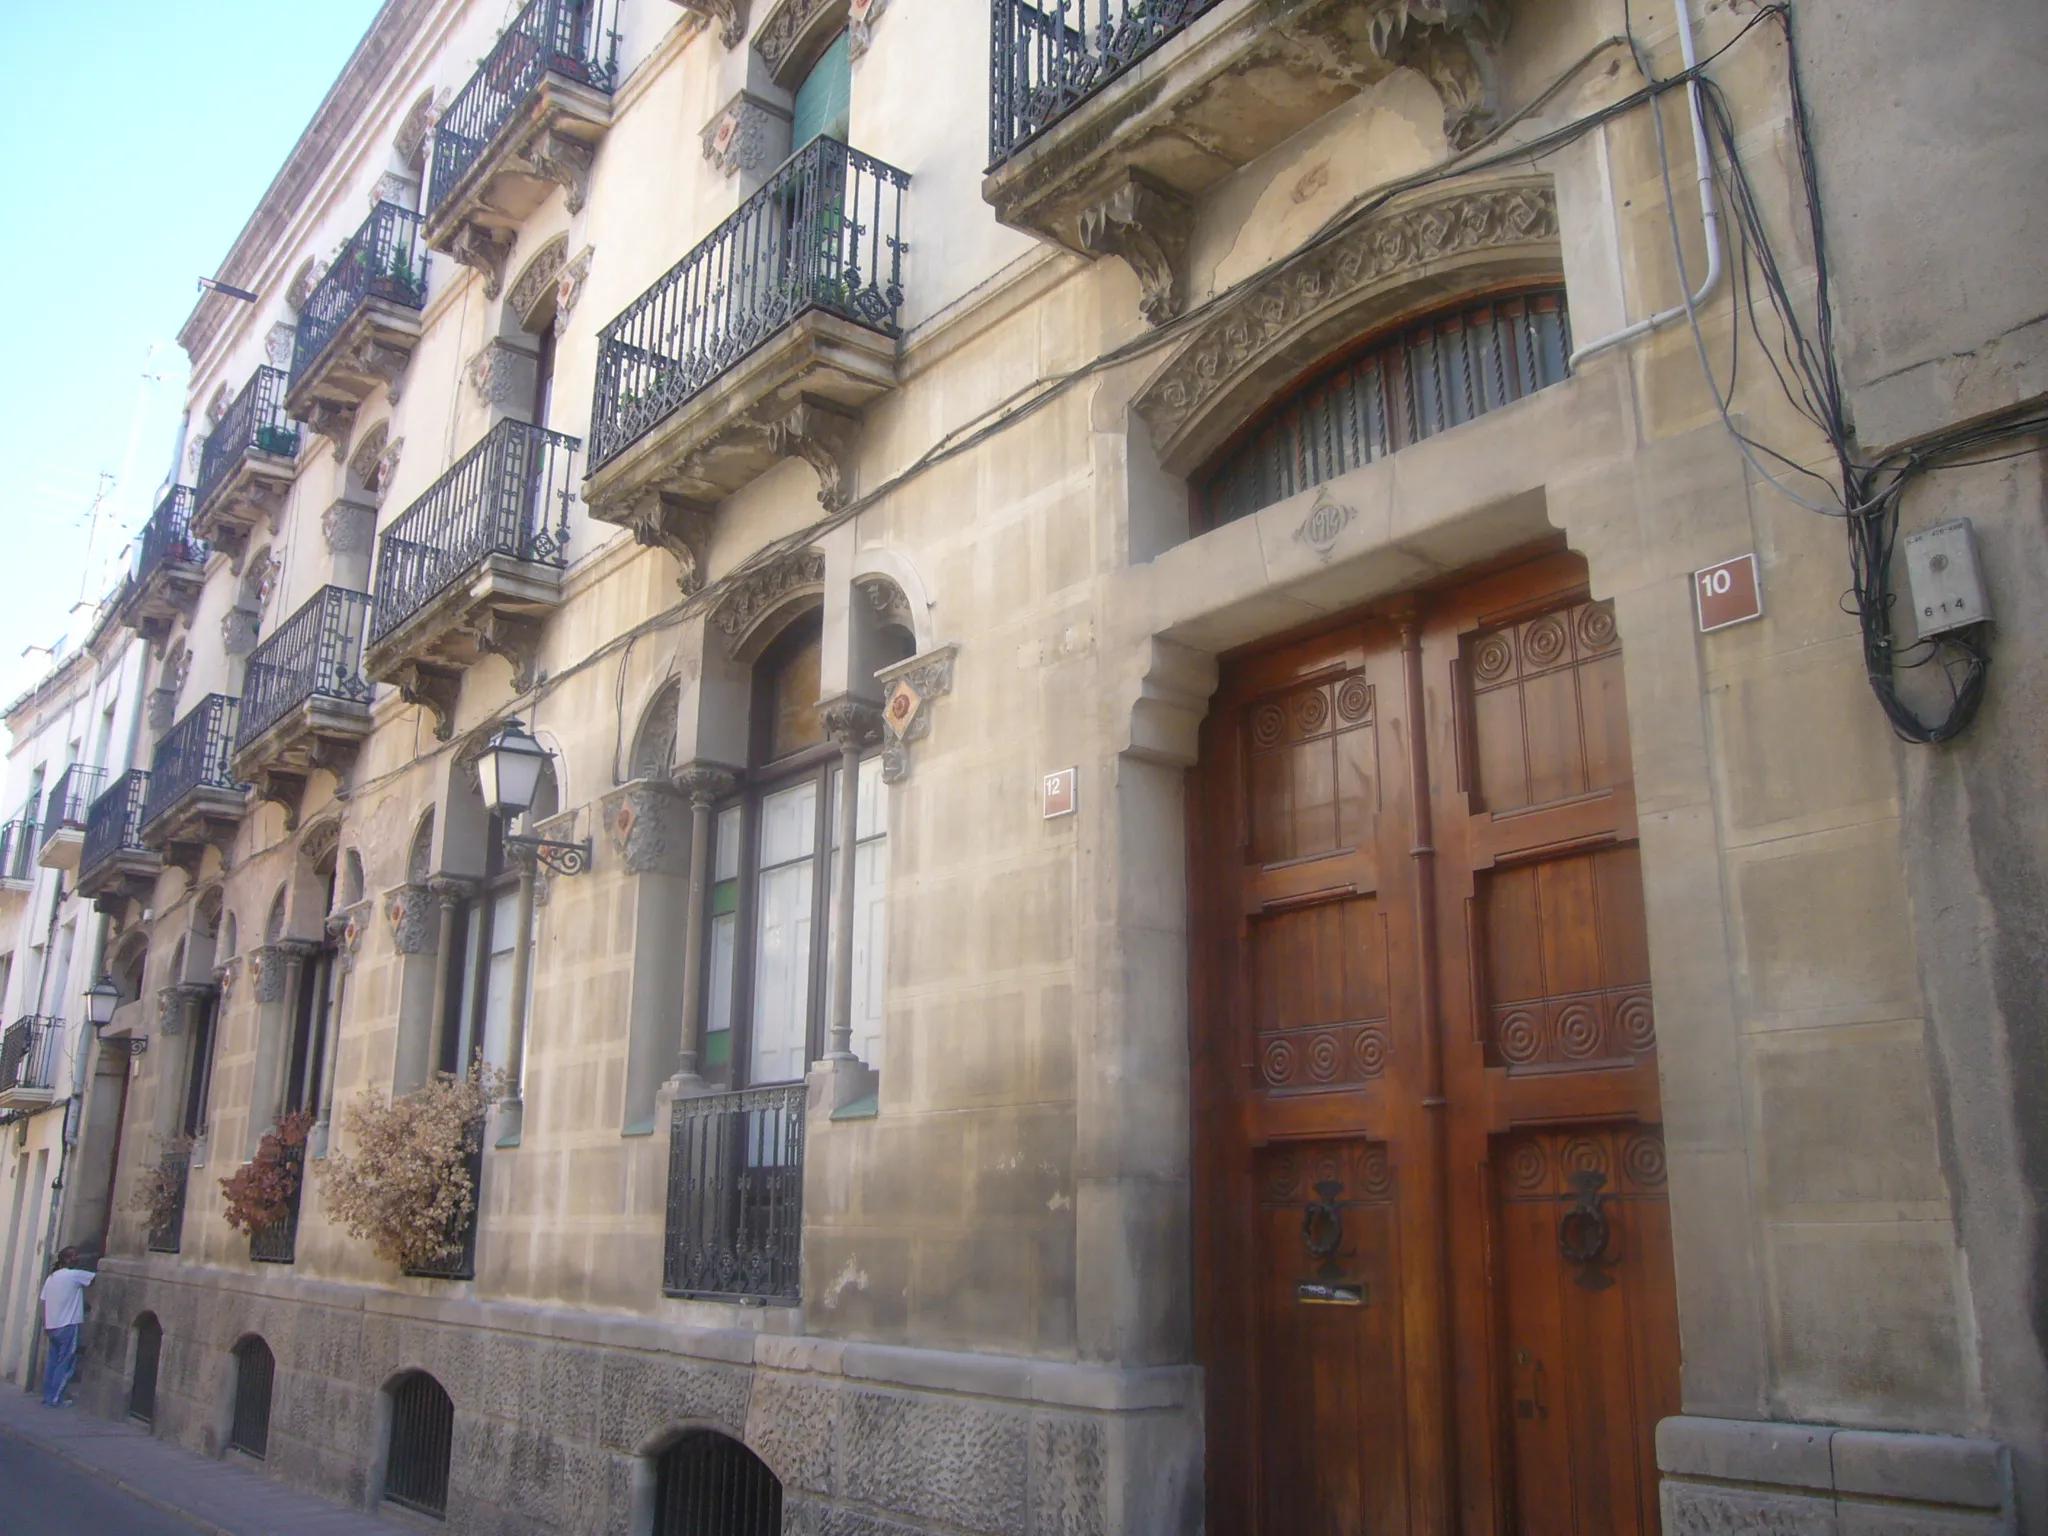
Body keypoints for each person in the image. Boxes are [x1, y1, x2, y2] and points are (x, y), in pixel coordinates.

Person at [39, 1247, 94, 1408]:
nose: (78, 1257)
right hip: (67, 1325)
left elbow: (44, 1301)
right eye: (75, 1255)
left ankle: (47, 1395)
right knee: (65, 1363)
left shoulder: (52, 1277)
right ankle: (56, 1398)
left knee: (52, 1362)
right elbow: (96, 1278)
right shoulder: (74, 1275)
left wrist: (45, 1322)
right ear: (68, 1260)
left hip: (52, 1326)